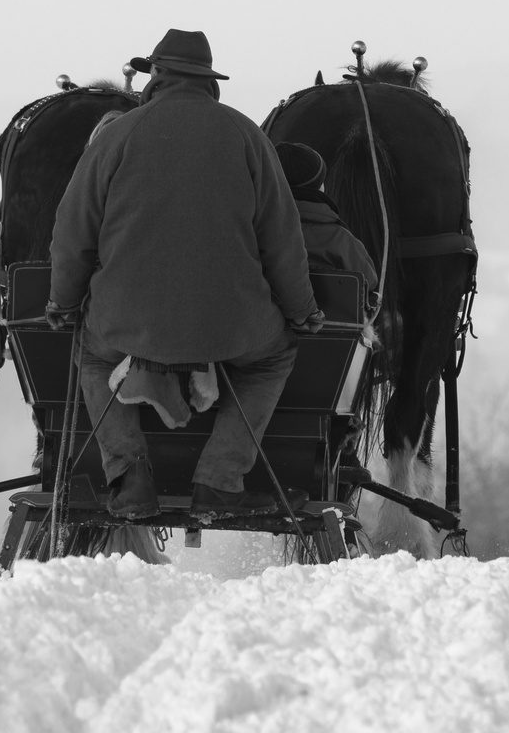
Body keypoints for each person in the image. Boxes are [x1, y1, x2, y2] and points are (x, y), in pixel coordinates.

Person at [46, 29, 325, 522]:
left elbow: (73, 232)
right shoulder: (247, 135)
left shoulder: (116, 135)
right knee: (273, 358)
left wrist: (63, 303)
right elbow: (283, 240)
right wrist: (302, 312)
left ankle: (130, 479)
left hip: (124, 323)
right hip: (231, 327)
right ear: (209, 82)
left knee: (91, 358)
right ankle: (218, 484)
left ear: (157, 76)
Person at [273, 141, 380, 304]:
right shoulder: (339, 237)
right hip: (330, 325)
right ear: (319, 187)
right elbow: (369, 280)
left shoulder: (260, 233)